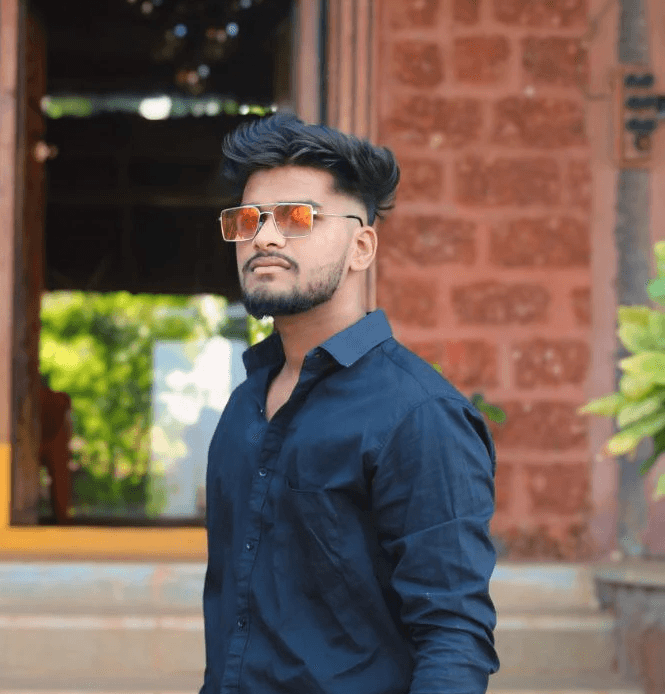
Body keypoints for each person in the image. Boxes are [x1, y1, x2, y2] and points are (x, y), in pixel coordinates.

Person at [200, 114, 499, 694]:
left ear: (362, 246)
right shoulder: (244, 406)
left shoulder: (418, 415)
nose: (264, 238)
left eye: (296, 217)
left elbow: (453, 635)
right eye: (248, 219)